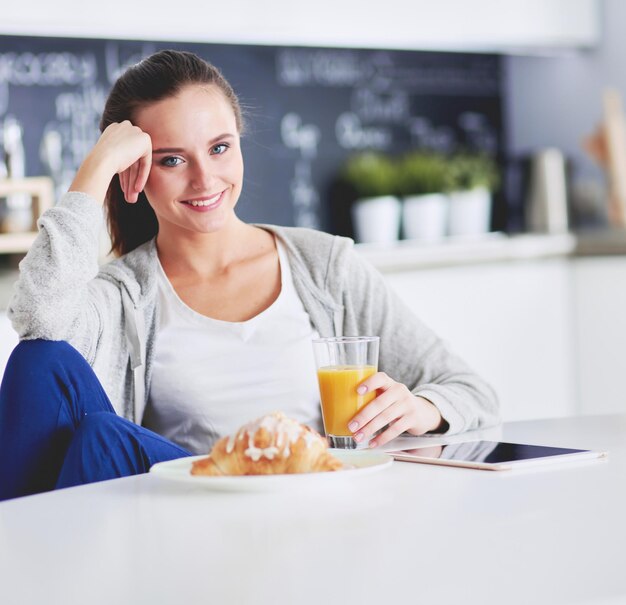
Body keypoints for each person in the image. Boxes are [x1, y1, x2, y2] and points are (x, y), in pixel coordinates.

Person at [0, 50, 499, 501]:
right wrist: (95, 169)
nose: (204, 179)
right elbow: (39, 317)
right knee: (41, 360)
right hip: (191, 507)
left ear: (239, 141)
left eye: (219, 148)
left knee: (99, 436)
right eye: (172, 160)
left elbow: (472, 391)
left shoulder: (324, 266)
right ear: (137, 170)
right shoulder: (124, 295)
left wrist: (424, 407)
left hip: (308, 500)